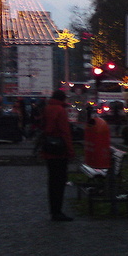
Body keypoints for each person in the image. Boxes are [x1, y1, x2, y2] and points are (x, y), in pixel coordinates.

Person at [41, 89, 74, 221]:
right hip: (60, 150)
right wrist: (70, 150)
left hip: (49, 148)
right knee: (59, 181)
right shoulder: (60, 110)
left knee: (52, 181)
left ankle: (53, 210)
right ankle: (57, 211)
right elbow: (65, 132)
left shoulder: (47, 108)